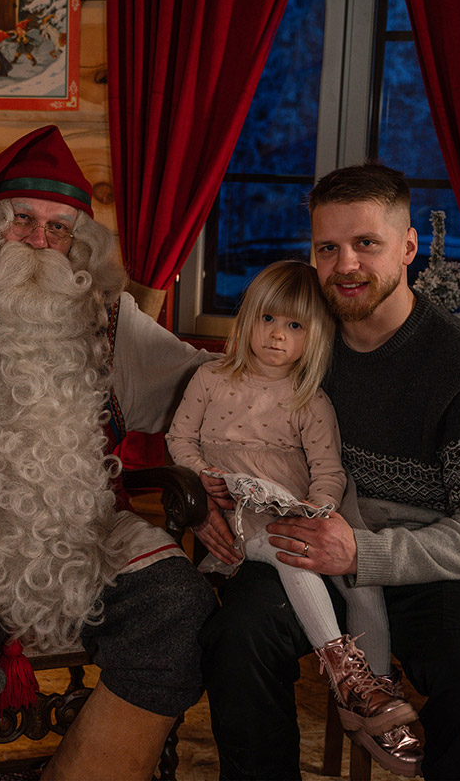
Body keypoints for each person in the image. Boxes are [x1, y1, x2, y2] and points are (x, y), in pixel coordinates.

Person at [0, 125, 218, 780]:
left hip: (84, 535)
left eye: (60, 231)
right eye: (24, 220)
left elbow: (198, 382)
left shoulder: (107, 315)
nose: (40, 243)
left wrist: (283, 367)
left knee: (178, 603)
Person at [198, 164, 460, 780]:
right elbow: (227, 422)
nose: (345, 264)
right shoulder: (300, 343)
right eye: (329, 247)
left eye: (366, 244)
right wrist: (214, 505)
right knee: (237, 635)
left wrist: (363, 553)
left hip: (427, 563)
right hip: (305, 546)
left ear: (408, 247)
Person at [166, 260, 422, 776]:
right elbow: (179, 440)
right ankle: (341, 669)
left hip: (300, 511)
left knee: (361, 581)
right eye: (267, 320)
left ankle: (372, 693)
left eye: (295, 326)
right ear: (247, 319)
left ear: (315, 336)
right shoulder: (211, 377)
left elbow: (329, 472)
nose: (277, 337)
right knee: (292, 551)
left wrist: (319, 510)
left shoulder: (311, 399)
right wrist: (201, 476)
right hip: (247, 521)